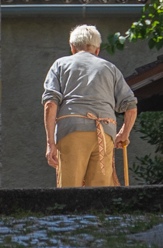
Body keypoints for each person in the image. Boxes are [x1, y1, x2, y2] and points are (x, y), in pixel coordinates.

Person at [42, 25, 138, 187]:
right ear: (97, 50)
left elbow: (50, 104)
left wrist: (50, 143)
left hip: (72, 130)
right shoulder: (110, 68)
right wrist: (124, 133)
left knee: (70, 189)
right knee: (100, 192)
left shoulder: (60, 65)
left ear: (72, 47)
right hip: (105, 131)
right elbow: (131, 106)